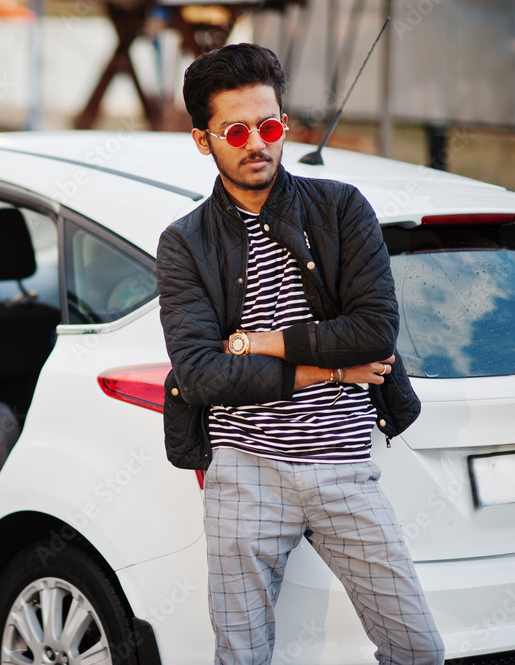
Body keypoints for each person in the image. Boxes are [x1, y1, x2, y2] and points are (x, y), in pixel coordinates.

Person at [156, 43, 444, 665]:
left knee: (418, 649)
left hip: (345, 469)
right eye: (236, 130)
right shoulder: (184, 244)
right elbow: (204, 375)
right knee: (243, 657)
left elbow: (375, 332)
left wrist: (258, 343)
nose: (257, 142)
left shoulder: (340, 209)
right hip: (245, 476)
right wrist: (332, 369)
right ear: (204, 140)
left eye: (270, 125)